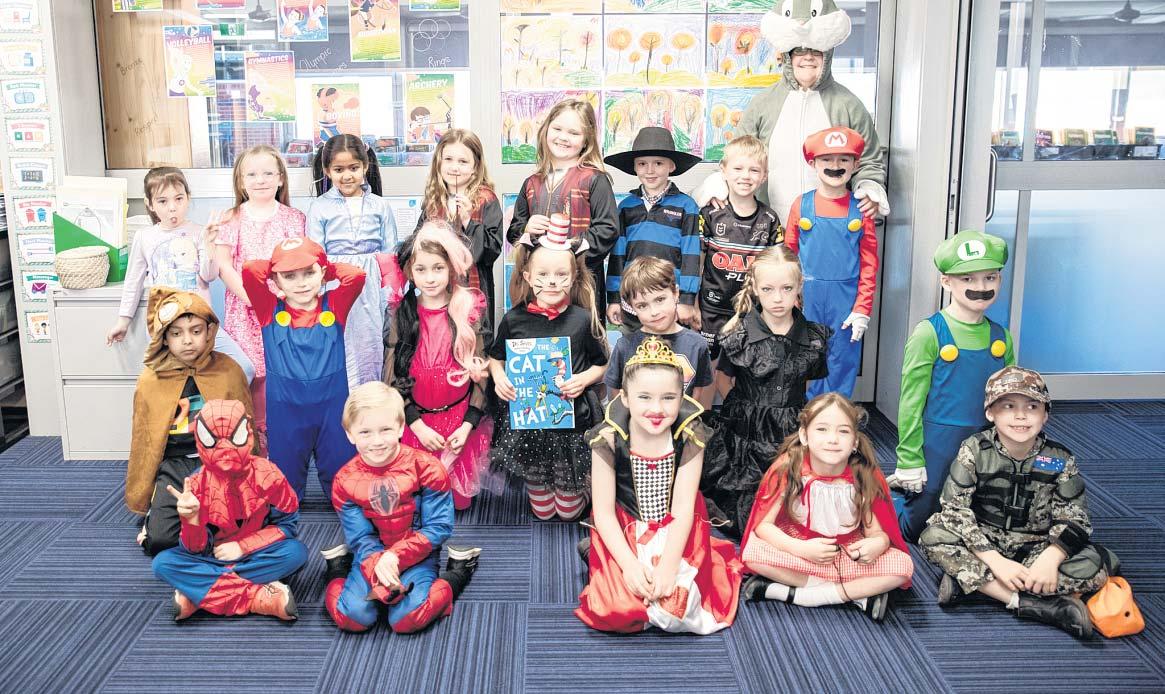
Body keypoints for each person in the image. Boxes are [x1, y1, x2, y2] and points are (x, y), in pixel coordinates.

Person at [920, 367, 1113, 638]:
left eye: (1032, 407)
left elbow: (1076, 519)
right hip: (984, 542)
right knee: (933, 537)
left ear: (1045, 415)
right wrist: (995, 561)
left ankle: (977, 586)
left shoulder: (1060, 459)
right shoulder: (974, 449)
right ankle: (1027, 603)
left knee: (1095, 565)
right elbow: (954, 509)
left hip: (1036, 548)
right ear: (990, 412)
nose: (1021, 416)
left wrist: (1051, 557)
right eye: (1008, 406)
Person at [576, 336, 741, 634]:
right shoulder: (608, 440)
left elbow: (683, 508)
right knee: (618, 611)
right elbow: (603, 512)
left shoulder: (689, 437)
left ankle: (603, 559)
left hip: (677, 526)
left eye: (668, 398)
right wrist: (629, 565)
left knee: (679, 611)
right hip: (625, 526)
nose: (657, 409)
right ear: (625, 398)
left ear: (681, 398)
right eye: (644, 397)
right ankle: (603, 554)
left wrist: (668, 565)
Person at [694, 1, 889, 223]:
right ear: (788, 56)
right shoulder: (763, 104)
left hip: (831, 225)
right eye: (799, 51)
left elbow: (869, 160)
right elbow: (736, 155)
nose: (808, 57)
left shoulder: (850, 105)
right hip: (769, 226)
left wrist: (869, 187)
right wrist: (717, 186)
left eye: (816, 51)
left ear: (828, 55)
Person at [739, 393, 912, 622]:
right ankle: (854, 595)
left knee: (903, 567)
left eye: (843, 431)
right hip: (799, 547)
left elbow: (878, 533)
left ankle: (802, 595)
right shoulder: (789, 469)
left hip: (846, 553)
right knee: (752, 554)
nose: (833, 439)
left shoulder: (863, 475)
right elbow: (763, 527)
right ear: (804, 435)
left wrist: (876, 545)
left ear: (855, 442)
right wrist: (801, 549)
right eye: (822, 429)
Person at [324, 382, 482, 633]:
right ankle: (338, 570)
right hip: (371, 555)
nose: (377, 441)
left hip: (418, 554)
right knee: (353, 617)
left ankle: (458, 573)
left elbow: (438, 527)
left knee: (406, 620)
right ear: (350, 434)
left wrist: (396, 556)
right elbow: (361, 537)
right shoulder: (345, 480)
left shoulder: (427, 468)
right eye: (365, 432)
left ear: (400, 427)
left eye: (385, 429)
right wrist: (378, 562)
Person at [891, 230, 1015, 543]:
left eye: (990, 278)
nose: (981, 288)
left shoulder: (1001, 337)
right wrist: (909, 458)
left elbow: (1010, 399)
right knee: (916, 527)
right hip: (938, 441)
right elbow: (911, 402)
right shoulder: (929, 333)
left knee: (978, 518)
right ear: (946, 282)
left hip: (984, 440)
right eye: (968, 279)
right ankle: (884, 500)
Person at [701, 245, 830, 536]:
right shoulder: (739, 333)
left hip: (791, 425)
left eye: (787, 288)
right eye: (768, 289)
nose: (778, 298)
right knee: (747, 516)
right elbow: (723, 378)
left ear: (799, 286)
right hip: (746, 426)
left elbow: (806, 381)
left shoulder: (813, 337)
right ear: (756, 289)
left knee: (797, 511)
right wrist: (745, 409)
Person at [488, 226, 609, 521]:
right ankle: (552, 486)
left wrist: (584, 379)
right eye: (542, 274)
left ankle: (587, 489)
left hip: (571, 422)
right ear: (528, 276)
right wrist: (499, 377)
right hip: (530, 425)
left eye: (561, 275)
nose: (552, 282)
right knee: (543, 512)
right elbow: (495, 358)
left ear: (574, 277)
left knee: (567, 512)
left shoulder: (581, 319)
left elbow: (602, 364)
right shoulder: (513, 319)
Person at [152, 399, 308, 621]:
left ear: (248, 432)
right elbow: (195, 550)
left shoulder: (268, 474)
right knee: (162, 564)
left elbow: (286, 527)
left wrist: (242, 547)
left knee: (296, 553)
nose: (225, 450)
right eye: (212, 440)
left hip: (256, 553)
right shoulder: (195, 484)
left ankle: (201, 592)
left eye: (235, 437)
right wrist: (191, 520)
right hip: (211, 557)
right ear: (200, 438)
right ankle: (257, 597)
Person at [125, 288, 254, 556]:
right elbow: (145, 441)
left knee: (242, 529)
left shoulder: (228, 370)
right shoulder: (151, 380)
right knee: (160, 542)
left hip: (222, 463)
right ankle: (156, 516)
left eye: (196, 331)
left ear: (209, 332)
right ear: (164, 337)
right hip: (175, 465)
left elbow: (246, 429)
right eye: (176, 333)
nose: (187, 341)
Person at [241, 237, 368, 501]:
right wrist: (277, 267)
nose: (301, 283)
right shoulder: (268, 309)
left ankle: (342, 505)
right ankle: (287, 508)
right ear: (276, 281)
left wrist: (324, 269)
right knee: (285, 491)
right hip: (285, 410)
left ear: (321, 273)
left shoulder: (334, 305)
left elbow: (356, 276)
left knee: (343, 483)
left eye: (308, 273)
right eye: (289, 276)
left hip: (332, 408)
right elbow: (250, 271)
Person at [384, 223, 495, 511]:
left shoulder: (467, 308)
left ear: (451, 268)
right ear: (410, 271)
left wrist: (467, 425)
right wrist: (416, 425)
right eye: (421, 269)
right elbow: (393, 375)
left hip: (458, 421)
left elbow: (481, 375)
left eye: (438, 268)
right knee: (420, 504)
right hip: (419, 422)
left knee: (458, 504)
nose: (430, 278)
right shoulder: (403, 312)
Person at [107, 167, 254, 382]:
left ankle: (217, 406)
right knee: (172, 386)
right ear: (150, 204)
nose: (172, 207)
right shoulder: (144, 236)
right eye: (163, 201)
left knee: (245, 368)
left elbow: (209, 275)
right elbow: (133, 282)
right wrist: (123, 321)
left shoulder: (200, 232)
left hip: (200, 322)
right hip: (164, 326)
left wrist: (209, 244)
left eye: (179, 199)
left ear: (188, 198)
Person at [212, 145, 306, 451]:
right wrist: (252, 297)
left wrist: (282, 295)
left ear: (281, 178)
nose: (260, 180)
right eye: (251, 174)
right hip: (244, 309)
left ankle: (285, 441)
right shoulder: (232, 218)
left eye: (268, 173)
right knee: (253, 372)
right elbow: (224, 265)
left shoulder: (294, 218)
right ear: (241, 181)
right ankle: (256, 442)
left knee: (284, 371)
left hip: (284, 307)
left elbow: (301, 263)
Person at [785, 126, 879, 398]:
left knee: (842, 359)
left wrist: (862, 309)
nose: (835, 166)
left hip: (845, 299)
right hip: (807, 296)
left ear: (855, 164)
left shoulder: (862, 209)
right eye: (827, 159)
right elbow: (787, 257)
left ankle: (836, 418)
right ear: (813, 163)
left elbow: (869, 265)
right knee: (803, 358)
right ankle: (803, 418)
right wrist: (788, 296)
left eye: (843, 159)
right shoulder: (801, 205)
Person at [506, 98, 619, 317]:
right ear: (546, 130)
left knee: (580, 334)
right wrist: (526, 229)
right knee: (539, 333)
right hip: (538, 286)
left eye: (574, 133)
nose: (563, 137)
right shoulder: (531, 183)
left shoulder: (595, 179)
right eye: (557, 129)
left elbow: (607, 230)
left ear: (586, 140)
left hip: (580, 285)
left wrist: (567, 249)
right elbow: (514, 232)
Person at [308, 133, 398, 388]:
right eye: (339, 169)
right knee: (339, 338)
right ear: (327, 171)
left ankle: (371, 396)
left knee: (372, 338)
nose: (347, 175)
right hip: (335, 282)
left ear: (365, 167)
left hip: (372, 283)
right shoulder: (319, 207)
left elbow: (390, 252)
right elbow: (315, 254)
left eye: (354, 168)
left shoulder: (380, 205)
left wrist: (391, 293)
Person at [602, 126, 702, 333]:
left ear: (671, 166)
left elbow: (691, 255)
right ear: (635, 167)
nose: (650, 170)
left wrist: (687, 300)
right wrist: (613, 298)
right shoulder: (626, 207)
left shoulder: (686, 206)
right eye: (642, 164)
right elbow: (617, 256)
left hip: (670, 303)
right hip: (633, 302)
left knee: (671, 351)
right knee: (633, 350)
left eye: (658, 163)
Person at [698, 136, 782, 360]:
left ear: (764, 176)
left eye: (754, 170)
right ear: (723, 170)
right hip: (710, 310)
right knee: (708, 370)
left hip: (751, 313)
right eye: (738, 168)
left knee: (745, 370)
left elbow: (777, 269)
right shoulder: (710, 215)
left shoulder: (770, 219)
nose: (745, 176)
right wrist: (693, 304)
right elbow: (697, 263)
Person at [415, 129, 503, 337]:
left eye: (463, 162)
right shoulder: (433, 201)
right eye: (448, 159)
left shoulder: (486, 200)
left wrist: (467, 222)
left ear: (475, 167)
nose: (455, 167)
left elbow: (491, 251)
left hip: (473, 290)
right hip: (438, 290)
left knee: (473, 341)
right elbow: (417, 245)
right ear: (439, 162)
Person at [605, 257, 713, 407]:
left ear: (675, 293)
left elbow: (697, 392)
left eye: (660, 299)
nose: (654, 312)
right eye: (642, 306)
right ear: (632, 307)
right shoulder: (624, 346)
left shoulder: (697, 345)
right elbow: (617, 394)